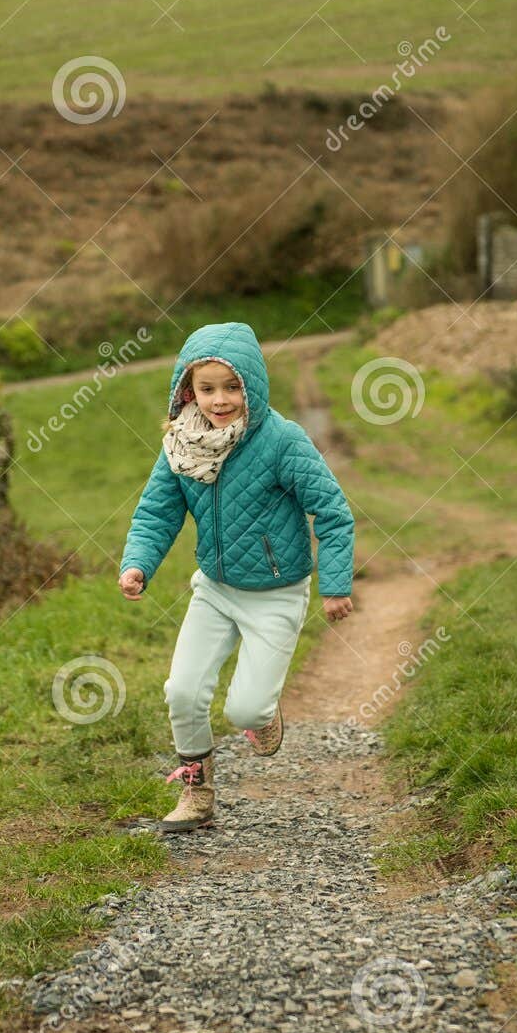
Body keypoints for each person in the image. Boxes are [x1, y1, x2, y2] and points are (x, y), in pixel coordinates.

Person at [118, 321, 355, 832]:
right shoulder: (181, 444)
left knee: (245, 711)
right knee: (181, 690)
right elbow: (157, 512)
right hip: (215, 589)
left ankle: (264, 716)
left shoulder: (282, 441)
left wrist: (335, 585)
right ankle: (197, 795)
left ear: (251, 385)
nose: (219, 400)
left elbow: (333, 513)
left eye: (231, 387)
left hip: (278, 593)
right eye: (206, 388)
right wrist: (137, 563)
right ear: (187, 389)